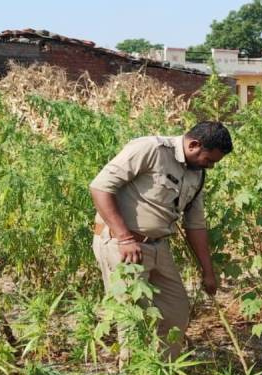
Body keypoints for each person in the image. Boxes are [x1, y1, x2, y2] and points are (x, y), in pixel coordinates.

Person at [89, 121, 232, 359]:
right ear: (194, 145)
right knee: (133, 317)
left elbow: (195, 225)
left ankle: (163, 374)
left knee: (176, 311)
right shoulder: (151, 150)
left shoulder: (197, 174)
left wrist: (208, 272)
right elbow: (100, 187)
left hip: (158, 246)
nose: (211, 166)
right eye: (209, 160)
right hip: (122, 245)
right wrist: (124, 238)